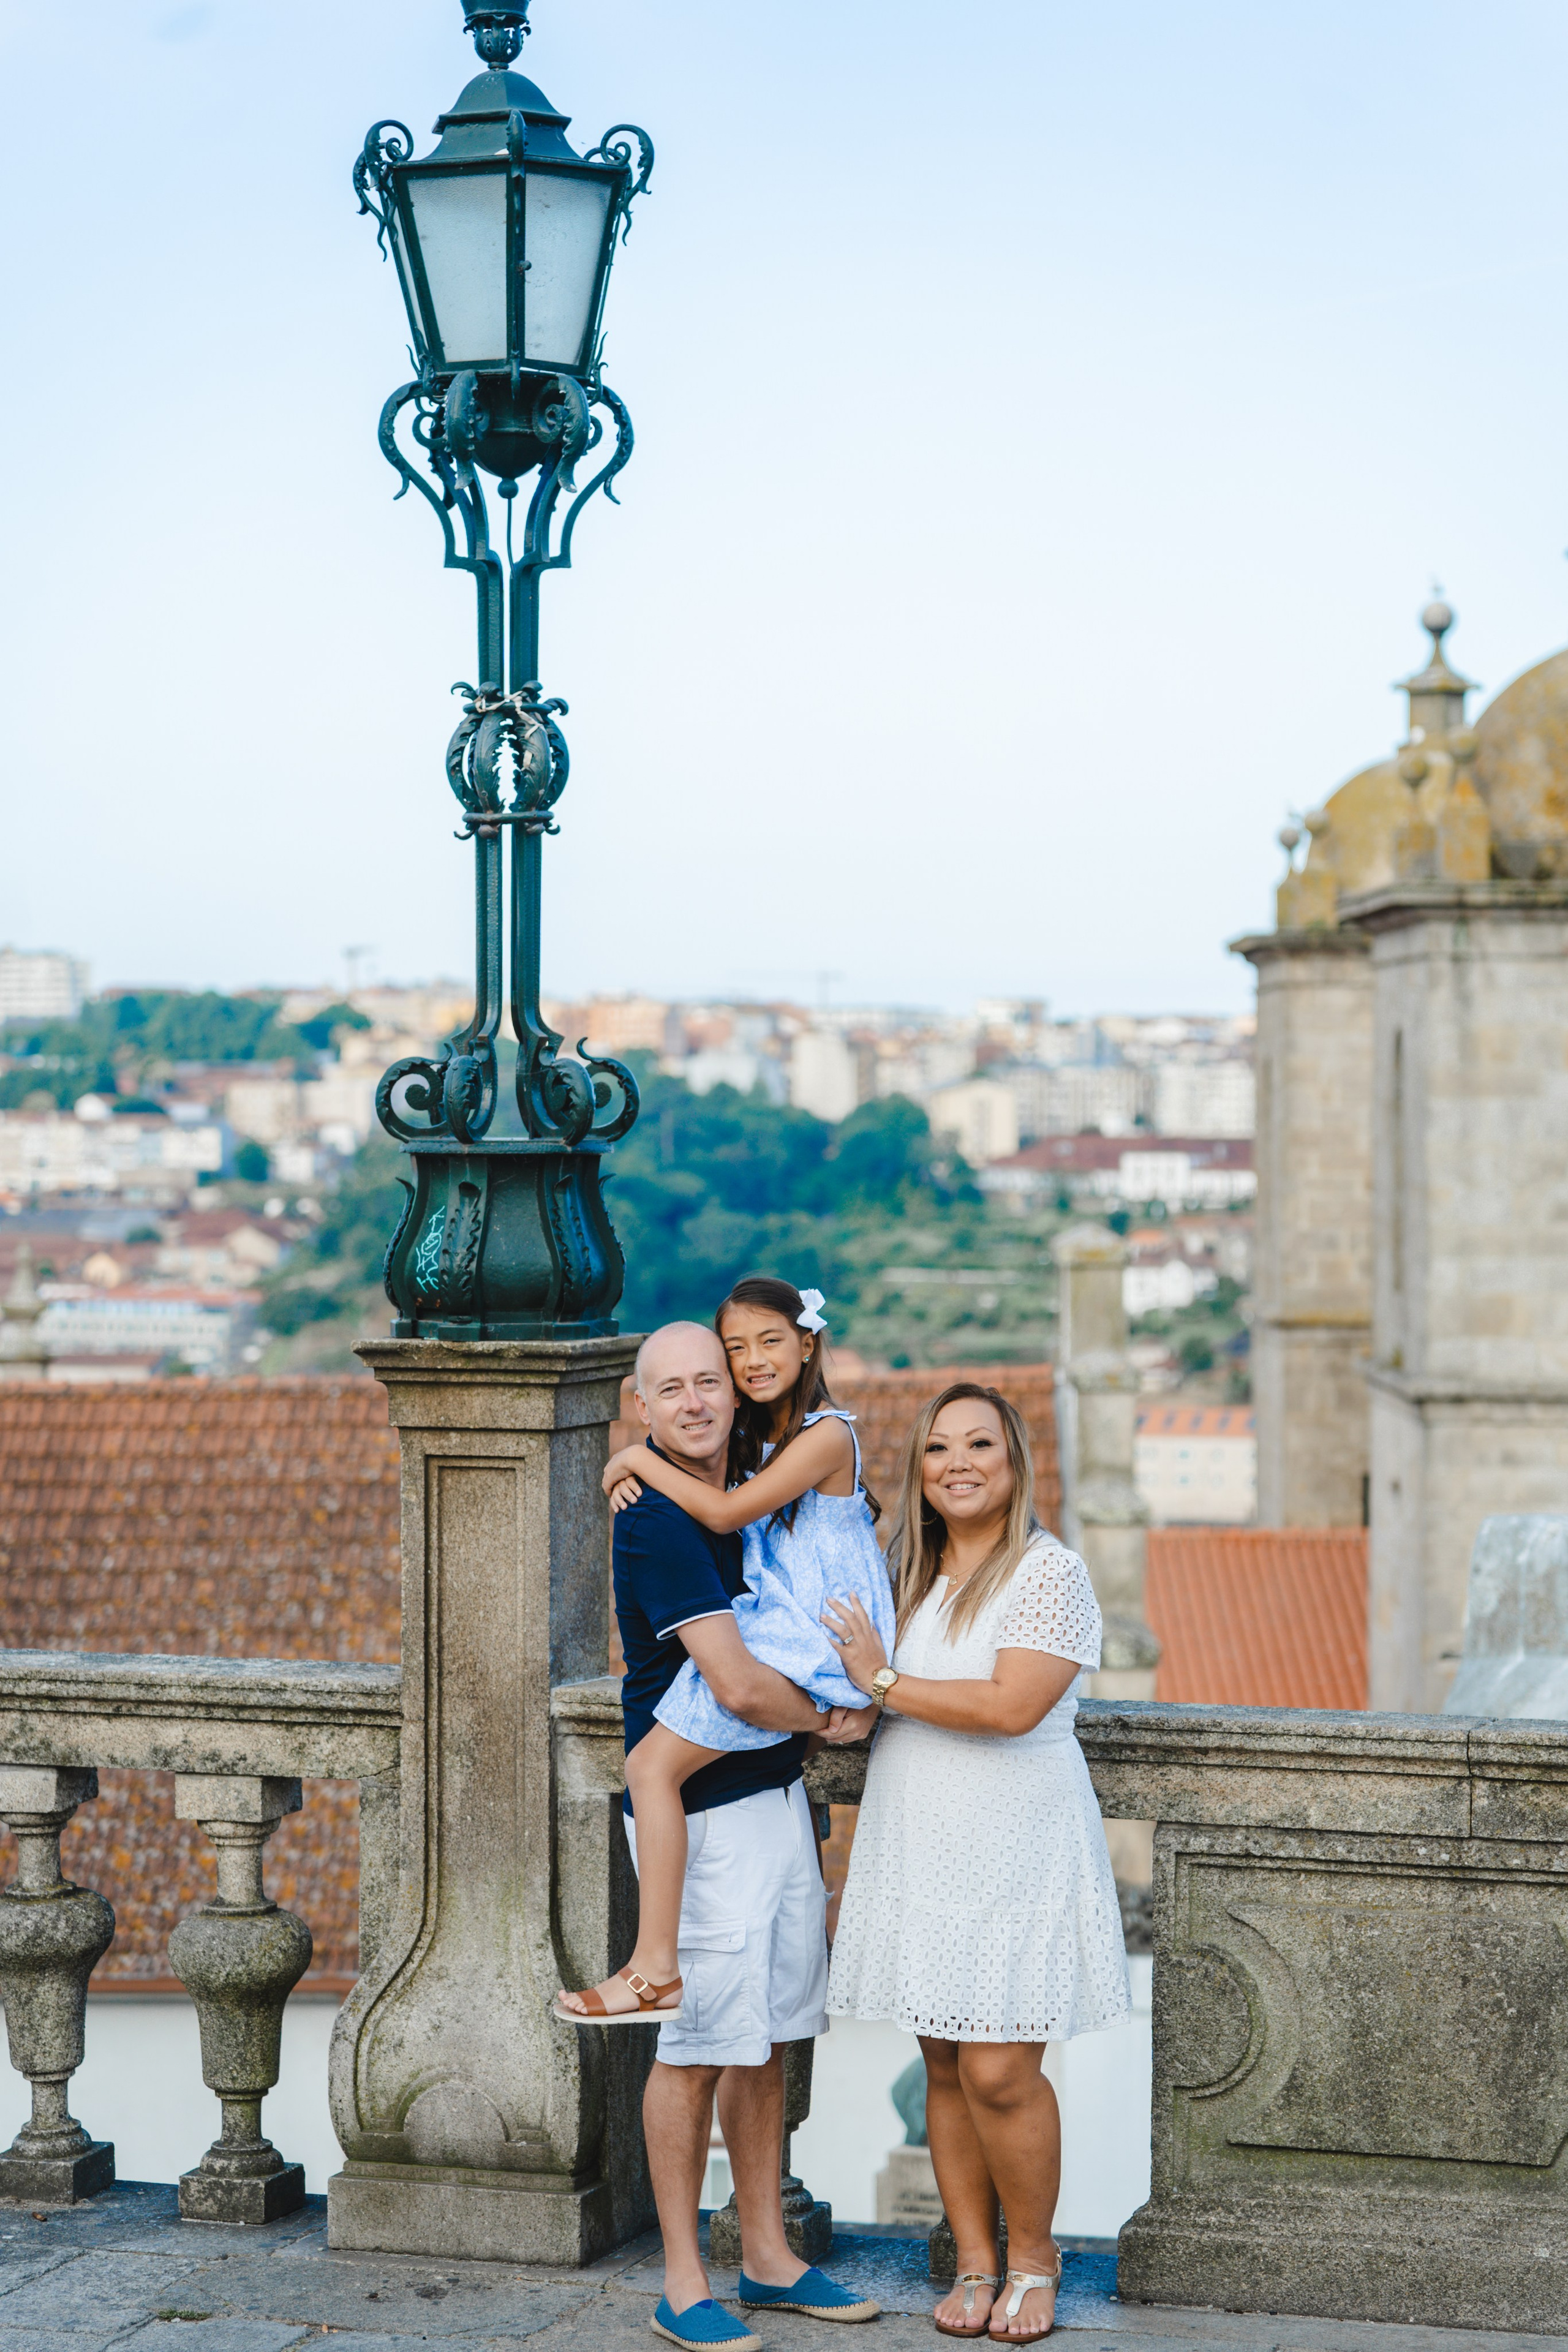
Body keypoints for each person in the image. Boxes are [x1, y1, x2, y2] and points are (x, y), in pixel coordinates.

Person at [557, 1319, 881, 2349]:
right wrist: (838, 1714)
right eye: (671, 1390)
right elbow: (737, 1684)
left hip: (777, 1803)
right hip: (704, 1828)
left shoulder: (748, 1478)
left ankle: (770, 2260)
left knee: (770, 2039)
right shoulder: (656, 1518)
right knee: (695, 2051)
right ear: (642, 1409)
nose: (696, 1400)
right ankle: (685, 2280)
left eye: (711, 1382)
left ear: (734, 1397)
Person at [823, 1384, 1130, 2345]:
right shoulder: (906, 1573)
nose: (958, 1464)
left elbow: (1010, 1708)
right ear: (918, 1470)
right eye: (938, 1449)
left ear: (1014, 1464)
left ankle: (1036, 2262)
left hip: (1015, 1840)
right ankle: (974, 2260)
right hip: (918, 1831)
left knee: (1000, 2069)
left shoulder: (1048, 1571)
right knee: (945, 2063)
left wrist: (881, 1679)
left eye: (979, 1446)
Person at [558, 1276, 895, 2029]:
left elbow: (729, 1513)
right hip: (804, 1632)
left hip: (818, 1626)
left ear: (808, 1344)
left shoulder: (825, 1435)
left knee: (648, 1765)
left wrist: (635, 1461)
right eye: (734, 1350)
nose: (751, 1362)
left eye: (764, 1345)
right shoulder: (755, 1453)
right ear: (645, 1404)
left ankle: (653, 1967)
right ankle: (654, 1967)